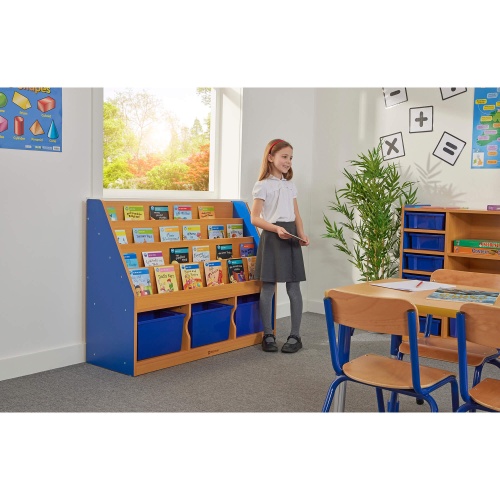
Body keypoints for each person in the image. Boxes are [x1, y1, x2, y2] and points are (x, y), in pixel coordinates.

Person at [250, 138, 309, 353]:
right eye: (284, 156)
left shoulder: (290, 185)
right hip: (273, 236)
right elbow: (255, 218)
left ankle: (295, 336)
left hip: (290, 234)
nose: (288, 161)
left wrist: (301, 234)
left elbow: (296, 214)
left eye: (291, 158)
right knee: (268, 287)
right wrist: (276, 229)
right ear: (270, 157)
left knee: (294, 286)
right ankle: (268, 334)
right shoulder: (263, 185)